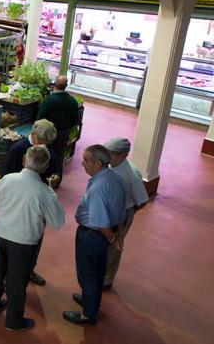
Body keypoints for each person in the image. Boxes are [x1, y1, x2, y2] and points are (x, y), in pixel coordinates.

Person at [0, 145, 65, 331]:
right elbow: (57, 222)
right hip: (24, 241)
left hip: (1, 235)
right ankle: (14, 322)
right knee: (16, 280)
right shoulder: (43, 191)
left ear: (24, 159)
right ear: (45, 167)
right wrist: (51, 190)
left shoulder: (7, 180)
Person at [63, 145, 125, 325]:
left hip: (91, 236)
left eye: (86, 160)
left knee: (87, 274)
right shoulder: (114, 177)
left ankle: (88, 314)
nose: (82, 164)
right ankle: (92, 300)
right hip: (102, 236)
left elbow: (100, 223)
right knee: (97, 272)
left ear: (98, 163)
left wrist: (112, 239)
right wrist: (117, 233)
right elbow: (121, 208)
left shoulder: (98, 187)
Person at [3, 119, 59, 287]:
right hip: (19, 206)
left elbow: (55, 167)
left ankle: (29, 269)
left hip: (39, 205)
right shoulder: (17, 149)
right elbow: (6, 176)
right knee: (15, 244)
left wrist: (56, 176)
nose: (45, 146)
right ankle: (9, 275)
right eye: (42, 142)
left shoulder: (47, 149)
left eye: (47, 144)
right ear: (33, 135)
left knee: (35, 239)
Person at [103, 138, 149, 289]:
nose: (107, 157)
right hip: (108, 211)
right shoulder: (110, 166)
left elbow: (142, 200)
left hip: (121, 214)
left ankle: (105, 280)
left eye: (111, 154)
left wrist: (128, 216)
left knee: (113, 248)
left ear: (123, 155)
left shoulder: (131, 175)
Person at [36, 75, 80, 185]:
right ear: (66, 86)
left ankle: (43, 179)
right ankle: (57, 179)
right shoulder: (72, 101)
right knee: (59, 155)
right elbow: (75, 120)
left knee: (44, 154)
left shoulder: (48, 100)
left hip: (47, 132)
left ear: (54, 84)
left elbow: (39, 118)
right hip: (63, 132)